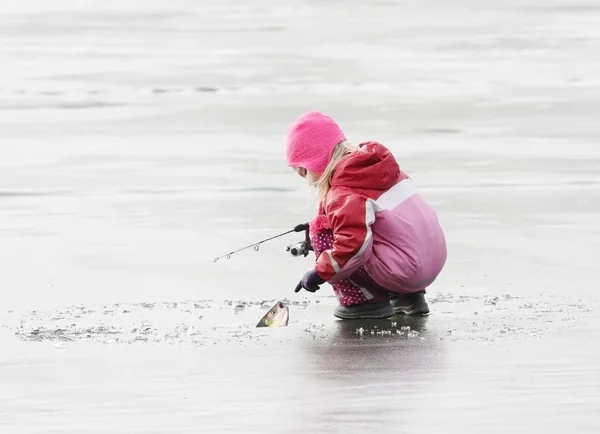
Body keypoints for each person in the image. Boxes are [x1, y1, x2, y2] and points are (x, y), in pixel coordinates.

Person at [286, 111, 447, 320]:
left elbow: (352, 245)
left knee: (322, 231)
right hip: (431, 263)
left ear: (317, 160)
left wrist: (319, 273)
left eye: (305, 171)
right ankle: (408, 297)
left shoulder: (344, 189)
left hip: (404, 271)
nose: (306, 179)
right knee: (381, 228)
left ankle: (362, 302)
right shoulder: (381, 167)